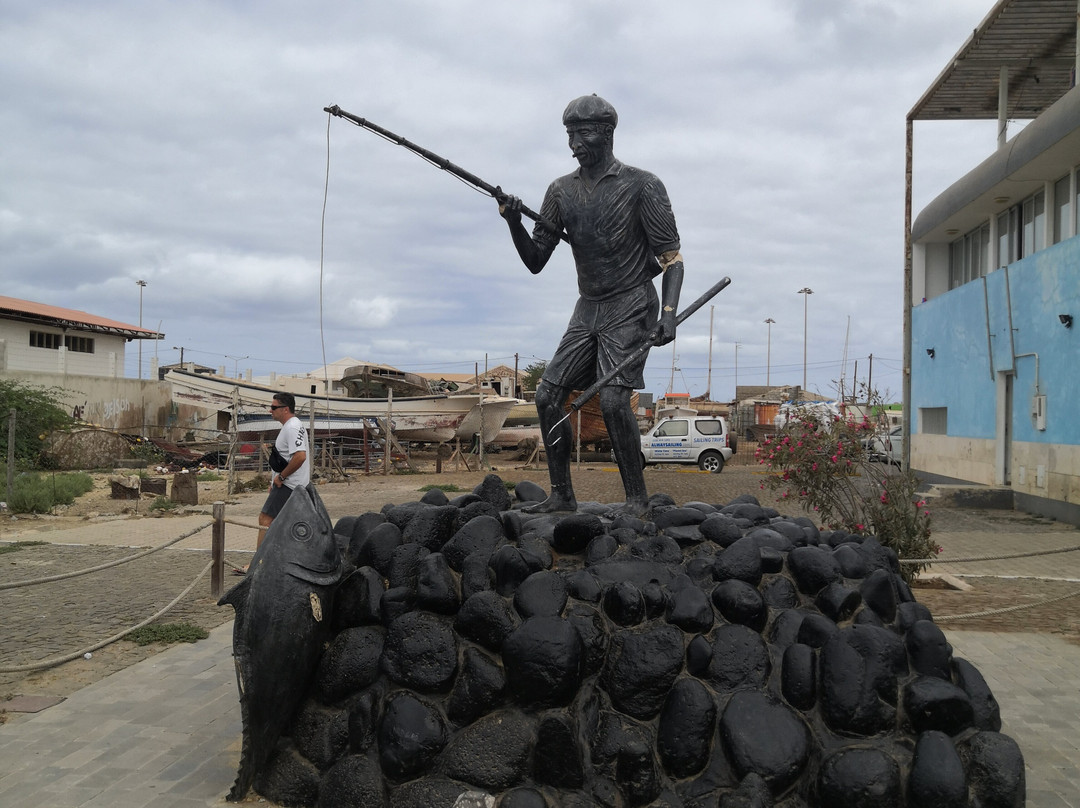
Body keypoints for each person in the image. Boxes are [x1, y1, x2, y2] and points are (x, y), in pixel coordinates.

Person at [498, 94, 684, 515]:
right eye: (569, 134)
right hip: (588, 308)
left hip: (633, 303)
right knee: (547, 396)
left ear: (605, 133)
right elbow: (535, 261)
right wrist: (513, 222)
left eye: (581, 133)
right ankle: (562, 494)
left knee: (616, 401)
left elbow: (672, 260)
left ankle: (636, 498)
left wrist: (668, 316)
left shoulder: (643, 185)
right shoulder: (560, 191)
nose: (573, 143)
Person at [256, 392, 310, 549]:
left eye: (273, 407)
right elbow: (288, 457)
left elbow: (300, 456)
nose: (270, 410)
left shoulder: (292, 427)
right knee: (286, 522)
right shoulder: (293, 425)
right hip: (291, 484)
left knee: (265, 519)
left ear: (285, 409)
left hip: (289, 485)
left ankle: (258, 563)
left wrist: (281, 478)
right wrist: (274, 482)